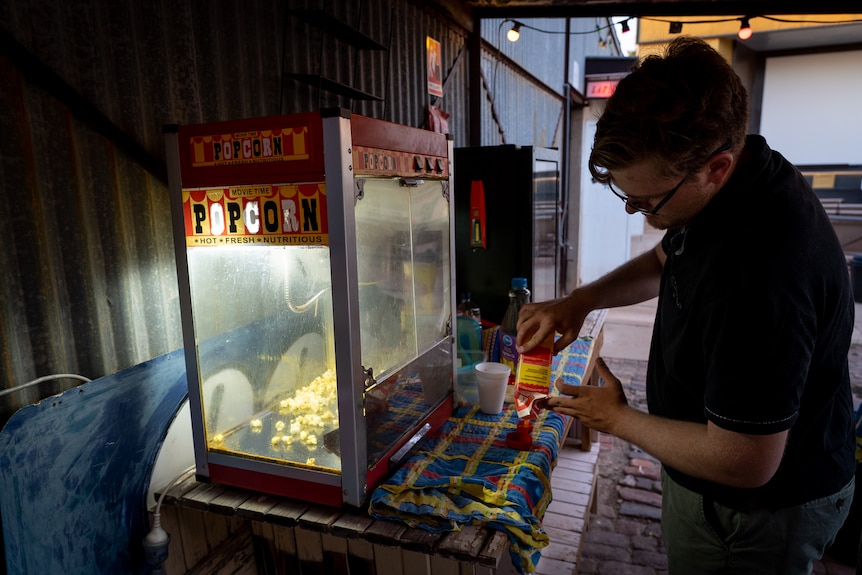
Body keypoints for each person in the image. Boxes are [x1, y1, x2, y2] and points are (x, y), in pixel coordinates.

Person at [515, 36, 856, 574]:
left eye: (649, 201)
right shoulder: (743, 172)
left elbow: (745, 462)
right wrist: (582, 301)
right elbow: (664, 260)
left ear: (715, 168)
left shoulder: (758, 277)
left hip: (754, 512)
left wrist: (618, 420)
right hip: (719, 480)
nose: (638, 213)